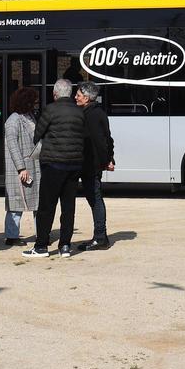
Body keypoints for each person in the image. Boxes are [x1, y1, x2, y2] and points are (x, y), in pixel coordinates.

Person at [26, 79, 88, 258]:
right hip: (74, 164)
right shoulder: (80, 112)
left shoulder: (50, 110)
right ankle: (65, 245)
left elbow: (37, 134)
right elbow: (83, 135)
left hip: (53, 163)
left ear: (55, 94)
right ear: (70, 93)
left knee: (47, 206)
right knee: (68, 206)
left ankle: (41, 246)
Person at [76, 81, 114, 251]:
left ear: (87, 97)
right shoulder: (97, 112)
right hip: (94, 164)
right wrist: (109, 159)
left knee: (95, 199)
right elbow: (109, 139)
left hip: (91, 165)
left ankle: (100, 237)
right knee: (95, 198)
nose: (75, 97)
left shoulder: (90, 115)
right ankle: (101, 236)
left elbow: (100, 141)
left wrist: (105, 161)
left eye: (78, 94)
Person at [3, 87, 40, 247]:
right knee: (16, 203)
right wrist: (21, 168)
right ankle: (11, 235)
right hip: (22, 168)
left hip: (33, 164)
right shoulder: (13, 120)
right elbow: (12, 145)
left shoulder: (30, 116)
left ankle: (42, 232)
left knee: (38, 202)